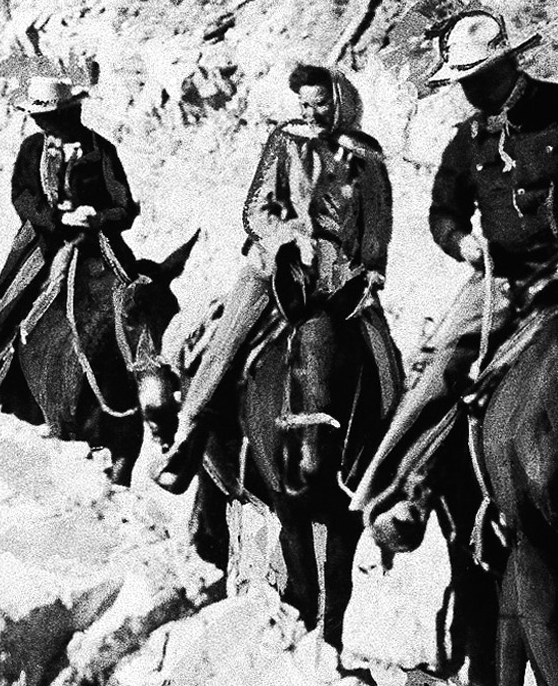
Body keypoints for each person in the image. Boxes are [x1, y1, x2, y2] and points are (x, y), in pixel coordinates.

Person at [350, 10, 558, 553]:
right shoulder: (467, 140)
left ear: (506, 65)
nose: (468, 91)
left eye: (476, 78)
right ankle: (406, 488)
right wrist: (462, 241)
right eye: (463, 81)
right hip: (503, 281)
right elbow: (443, 211)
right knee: (441, 366)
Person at [154, 63, 397, 495]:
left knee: (384, 355)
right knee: (224, 342)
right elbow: (256, 210)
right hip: (278, 268)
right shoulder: (285, 142)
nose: (309, 112)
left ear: (341, 102)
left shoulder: (366, 154)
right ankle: (187, 439)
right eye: (303, 103)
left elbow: (377, 221)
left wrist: (373, 267)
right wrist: (290, 236)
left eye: (319, 103)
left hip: (343, 279)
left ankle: (390, 464)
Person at [0, 76, 138, 399]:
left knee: (137, 297)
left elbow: (124, 206)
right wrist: (58, 218)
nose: (42, 124)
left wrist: (97, 217)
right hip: (44, 240)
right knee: (9, 305)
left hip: (95, 241)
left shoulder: (101, 150)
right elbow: (21, 196)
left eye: (48, 118)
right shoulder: (32, 150)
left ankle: (144, 372)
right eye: (39, 118)